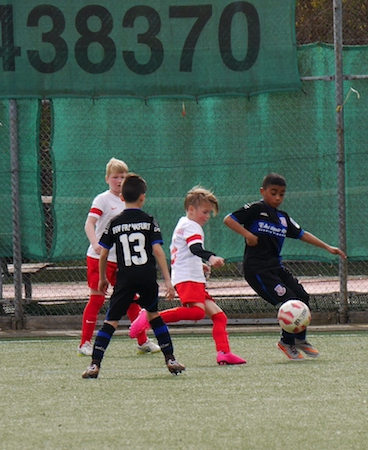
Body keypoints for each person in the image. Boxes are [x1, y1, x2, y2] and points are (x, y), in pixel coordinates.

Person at [223, 173, 346, 361]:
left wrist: (327, 247)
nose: (278, 198)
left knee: (302, 297)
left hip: (276, 267)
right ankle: (286, 342)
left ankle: (299, 339)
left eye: (281, 194)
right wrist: (247, 234)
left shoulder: (282, 218)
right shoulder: (256, 209)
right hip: (257, 270)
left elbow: (302, 234)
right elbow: (228, 219)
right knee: (289, 300)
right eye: (273, 193)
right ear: (263, 191)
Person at [129, 186, 246, 365]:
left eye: (209, 213)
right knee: (197, 313)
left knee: (219, 316)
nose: (207, 216)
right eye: (205, 212)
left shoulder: (183, 223)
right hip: (188, 278)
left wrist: (199, 265)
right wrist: (211, 258)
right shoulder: (192, 226)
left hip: (188, 276)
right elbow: (194, 248)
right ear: (191, 209)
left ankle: (224, 352)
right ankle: (150, 316)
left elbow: (183, 252)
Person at [82, 173, 183, 378]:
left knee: (111, 321)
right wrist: (168, 280)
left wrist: (102, 278)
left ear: (122, 197)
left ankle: (94, 364)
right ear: (143, 197)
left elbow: (103, 253)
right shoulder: (149, 221)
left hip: (125, 278)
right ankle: (170, 359)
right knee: (154, 316)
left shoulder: (114, 223)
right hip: (146, 277)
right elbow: (157, 250)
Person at [78, 157, 159, 356]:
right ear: (107, 179)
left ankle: (142, 341)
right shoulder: (102, 199)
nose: (119, 181)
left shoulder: (129, 201)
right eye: (115, 177)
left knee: (131, 299)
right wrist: (95, 243)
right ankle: (85, 343)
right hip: (100, 259)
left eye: (123, 176)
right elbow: (89, 224)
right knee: (97, 299)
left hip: (123, 260)